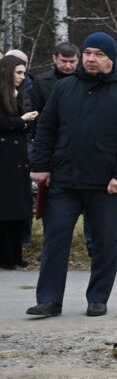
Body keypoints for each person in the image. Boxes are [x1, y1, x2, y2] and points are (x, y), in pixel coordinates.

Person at [25, 33, 117, 318]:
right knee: (55, 239)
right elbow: (46, 129)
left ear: (111, 58)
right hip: (64, 180)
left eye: (99, 54)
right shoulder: (64, 88)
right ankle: (49, 299)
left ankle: (97, 298)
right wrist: (40, 165)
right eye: (88, 53)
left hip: (108, 185)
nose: (91, 59)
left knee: (106, 244)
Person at [0, 55, 37, 268]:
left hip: (18, 158)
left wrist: (25, 122)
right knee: (5, 209)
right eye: (19, 72)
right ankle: (6, 257)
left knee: (17, 208)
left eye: (24, 73)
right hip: (4, 158)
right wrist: (21, 121)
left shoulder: (19, 94)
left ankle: (15, 255)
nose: (23, 77)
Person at [24, 42, 79, 113]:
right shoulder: (40, 82)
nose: (68, 66)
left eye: (72, 62)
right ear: (54, 58)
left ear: (78, 60)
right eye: (64, 61)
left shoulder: (84, 80)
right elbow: (34, 110)